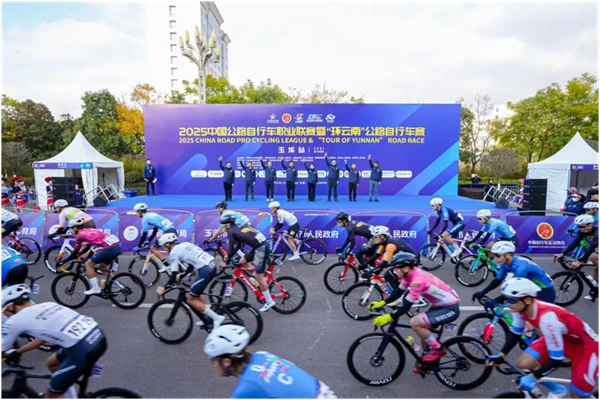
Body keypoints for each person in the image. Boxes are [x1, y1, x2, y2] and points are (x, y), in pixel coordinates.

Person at [486, 278, 599, 400]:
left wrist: (533, 377)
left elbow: (556, 358)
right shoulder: (519, 308)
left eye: (511, 300)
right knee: (524, 363)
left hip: (586, 347)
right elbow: (516, 332)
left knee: (578, 395)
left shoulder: (547, 318)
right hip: (561, 338)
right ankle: (557, 389)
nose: (508, 303)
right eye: (506, 298)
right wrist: (501, 355)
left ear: (528, 300)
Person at [0, 284, 108, 400]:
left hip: (82, 349)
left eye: (3, 311)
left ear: (10, 306)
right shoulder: (48, 305)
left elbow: (1, 351)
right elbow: (42, 339)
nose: (3, 315)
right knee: (52, 363)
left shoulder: (15, 321)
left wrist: (7, 355)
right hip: (97, 336)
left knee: (51, 396)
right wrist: (18, 352)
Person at [368, 253, 460, 366]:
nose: (394, 271)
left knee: (415, 323)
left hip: (449, 307)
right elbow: (398, 292)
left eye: (397, 268)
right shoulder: (409, 275)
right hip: (440, 304)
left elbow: (406, 306)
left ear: (406, 268)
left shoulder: (418, 280)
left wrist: (389, 317)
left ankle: (439, 349)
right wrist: (382, 303)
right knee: (424, 331)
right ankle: (425, 360)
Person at [204, 325, 337, 400]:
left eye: (213, 360)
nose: (212, 364)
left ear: (226, 362)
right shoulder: (262, 355)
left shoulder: (247, 388)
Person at [155, 233, 224, 329]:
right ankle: (207, 315)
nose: (164, 249)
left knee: (190, 300)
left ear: (167, 244)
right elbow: (190, 266)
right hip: (211, 267)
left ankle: (217, 318)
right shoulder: (185, 244)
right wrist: (181, 276)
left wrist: (164, 288)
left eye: (164, 246)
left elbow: (173, 274)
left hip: (205, 271)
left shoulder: (174, 252)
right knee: (195, 293)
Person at [220, 214, 275, 312]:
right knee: (241, 262)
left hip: (260, 249)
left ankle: (269, 301)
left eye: (223, 226)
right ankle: (259, 280)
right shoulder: (239, 226)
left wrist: (226, 261)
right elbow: (238, 245)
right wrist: (229, 259)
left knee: (259, 277)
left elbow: (232, 248)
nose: (223, 229)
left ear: (227, 225)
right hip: (259, 246)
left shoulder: (231, 231)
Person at [472, 241, 555, 306]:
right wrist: (483, 291)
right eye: (494, 256)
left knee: (529, 316)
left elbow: (515, 287)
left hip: (544, 290)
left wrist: (497, 300)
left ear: (508, 255)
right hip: (531, 287)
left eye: (497, 256)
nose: (495, 258)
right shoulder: (505, 263)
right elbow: (497, 280)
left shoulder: (521, 267)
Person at [57, 218, 121, 296]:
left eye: (72, 229)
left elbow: (74, 252)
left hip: (109, 248)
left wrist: (63, 261)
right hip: (116, 247)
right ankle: (119, 286)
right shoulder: (88, 230)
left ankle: (95, 288)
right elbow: (88, 246)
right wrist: (79, 254)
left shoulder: (79, 235)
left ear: (75, 228)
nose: (72, 231)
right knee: (102, 269)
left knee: (88, 264)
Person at [556, 214, 600, 300]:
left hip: (596, 246)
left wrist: (579, 261)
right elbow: (575, 243)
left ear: (589, 224)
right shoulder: (583, 231)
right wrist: (563, 253)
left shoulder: (597, 232)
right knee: (596, 267)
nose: (580, 228)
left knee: (594, 258)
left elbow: (591, 247)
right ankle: (595, 291)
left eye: (581, 226)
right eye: (578, 226)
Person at [132, 203, 176, 269]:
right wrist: (148, 240)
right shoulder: (152, 215)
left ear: (140, 212)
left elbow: (144, 233)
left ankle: (167, 266)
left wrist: (139, 246)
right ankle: (179, 267)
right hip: (172, 231)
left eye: (136, 212)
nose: (137, 214)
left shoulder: (145, 218)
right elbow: (155, 231)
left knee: (153, 249)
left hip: (169, 233)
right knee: (169, 250)